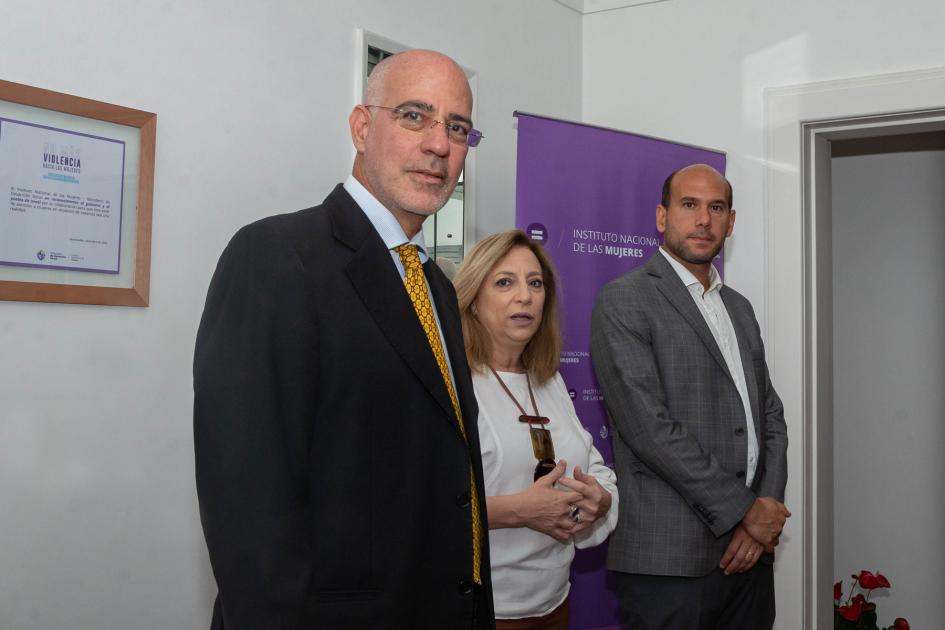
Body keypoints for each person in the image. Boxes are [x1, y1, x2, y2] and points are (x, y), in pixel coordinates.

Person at [193, 50, 494, 629]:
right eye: (415, 116)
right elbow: (248, 507)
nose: (439, 145)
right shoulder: (276, 258)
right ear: (361, 127)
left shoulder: (434, 283)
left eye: (457, 127)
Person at [590, 164, 790, 629]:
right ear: (662, 217)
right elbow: (649, 428)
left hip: (750, 558)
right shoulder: (624, 300)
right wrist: (746, 512)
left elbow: (770, 417)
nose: (703, 219)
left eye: (716, 208)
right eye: (689, 205)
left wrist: (766, 510)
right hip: (670, 561)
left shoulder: (738, 308)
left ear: (731, 222)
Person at [454, 230, 618, 629]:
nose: (524, 296)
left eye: (535, 283)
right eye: (504, 282)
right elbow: (420, 508)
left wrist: (601, 502)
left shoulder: (549, 381)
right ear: (474, 300)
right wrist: (519, 512)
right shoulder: (451, 385)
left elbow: (597, 471)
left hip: (554, 606)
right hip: (481, 611)